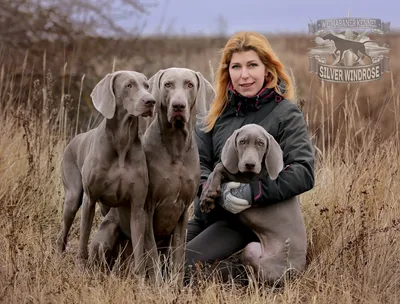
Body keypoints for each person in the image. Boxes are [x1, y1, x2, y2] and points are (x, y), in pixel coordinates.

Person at [184, 31, 315, 283]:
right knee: (159, 259)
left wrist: (252, 193)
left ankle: (243, 274)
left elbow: (303, 171)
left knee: (184, 266)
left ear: (267, 69)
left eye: (252, 65)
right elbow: (197, 165)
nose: (244, 75)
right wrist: (210, 190)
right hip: (207, 215)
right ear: (227, 72)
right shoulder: (212, 116)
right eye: (236, 67)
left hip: (246, 223)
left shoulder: (285, 113)